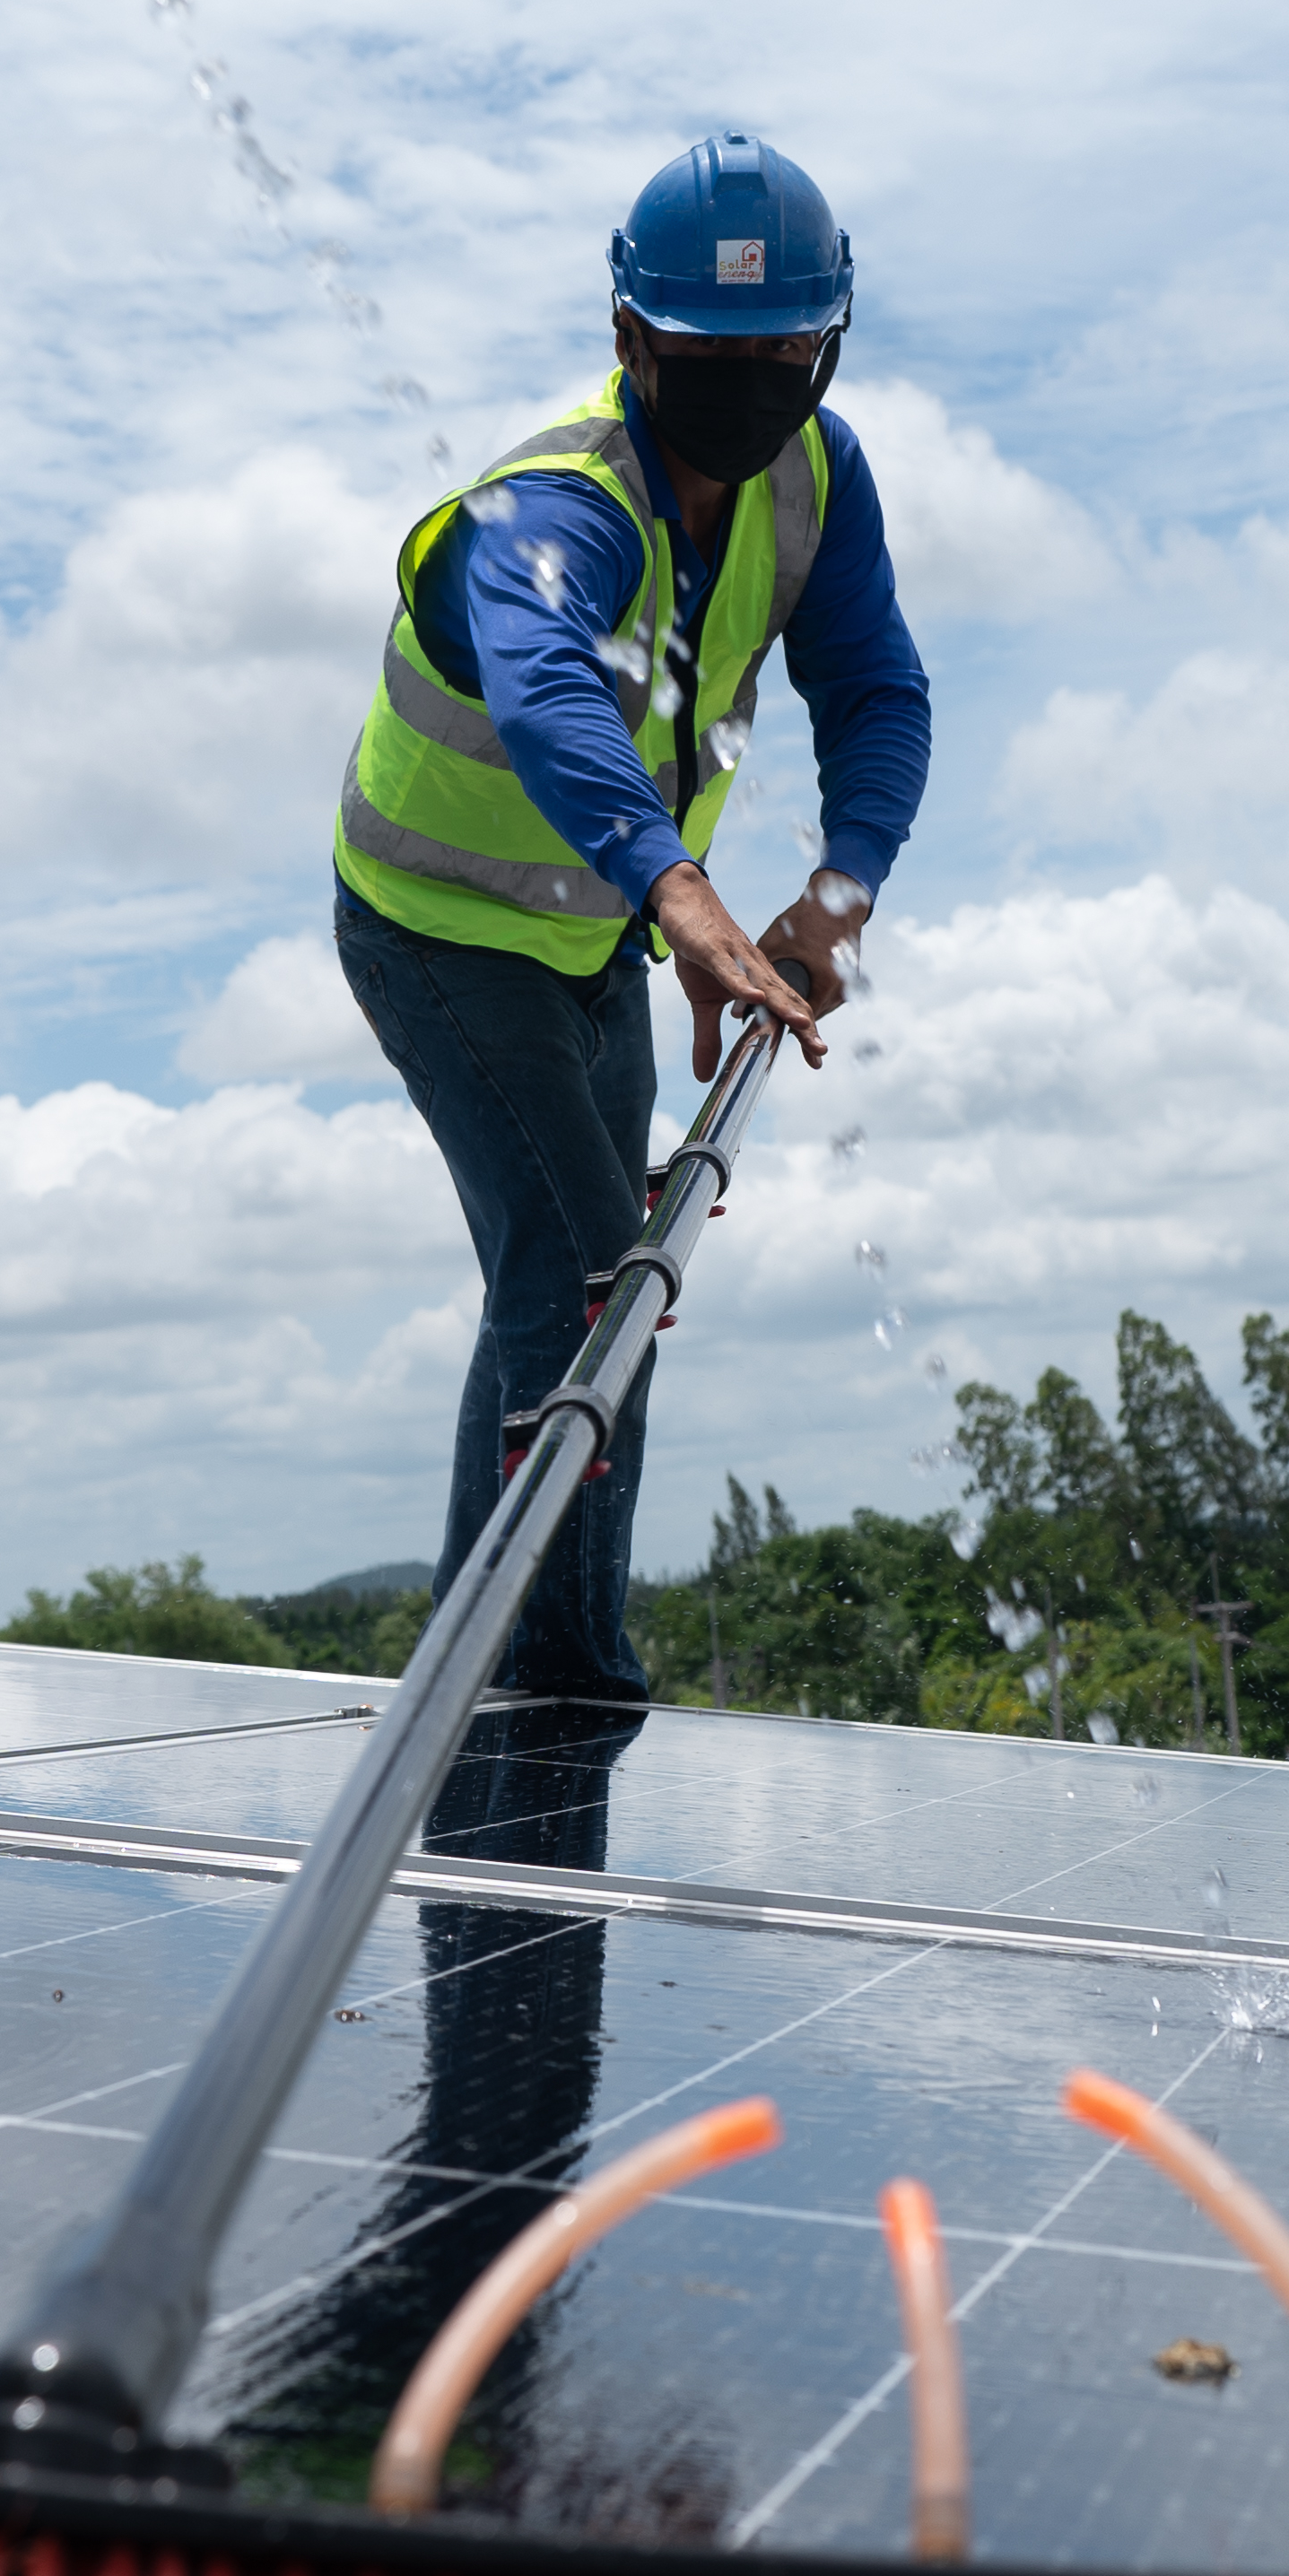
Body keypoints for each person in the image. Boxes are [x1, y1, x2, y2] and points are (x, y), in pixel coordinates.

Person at [330, 129, 931, 1699]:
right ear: (627, 343)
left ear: (829, 345)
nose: (751, 388)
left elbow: (874, 690)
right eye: (704, 356)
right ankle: (552, 1698)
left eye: (784, 354)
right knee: (594, 1283)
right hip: (441, 933)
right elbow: (541, 685)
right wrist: (682, 899)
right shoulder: (558, 504)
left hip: (593, 941)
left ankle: (495, 1657)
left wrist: (834, 897)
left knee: (572, 1279)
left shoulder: (818, 476)